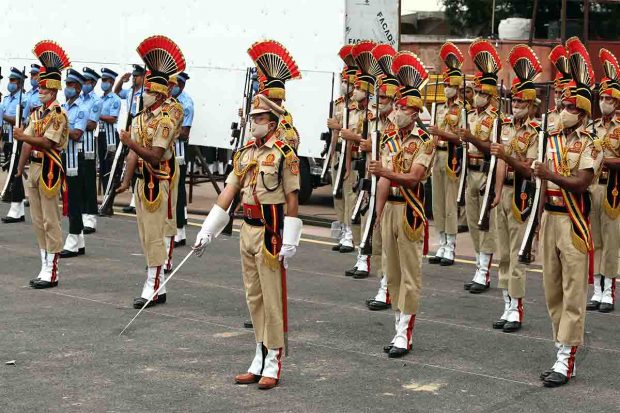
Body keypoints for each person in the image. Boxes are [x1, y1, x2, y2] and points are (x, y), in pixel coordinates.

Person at [193, 93, 301, 390]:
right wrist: (208, 230)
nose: (254, 123)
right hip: (247, 229)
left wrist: (291, 240)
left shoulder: (283, 154)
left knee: (271, 298)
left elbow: (292, 199)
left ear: (273, 123)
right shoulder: (244, 153)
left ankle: (274, 360)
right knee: (253, 297)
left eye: (260, 118)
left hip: (271, 231)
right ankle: (259, 354)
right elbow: (229, 191)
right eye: (253, 118)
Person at [533, 37, 601, 388]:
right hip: (550, 218)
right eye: (562, 102)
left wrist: (550, 175)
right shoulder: (551, 138)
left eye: (569, 105)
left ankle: (566, 359)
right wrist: (534, 225)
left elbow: (581, 182)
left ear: (582, 112)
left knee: (573, 293)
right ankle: (560, 348)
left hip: (573, 222)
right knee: (552, 290)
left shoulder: (591, 142)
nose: (562, 107)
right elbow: (542, 185)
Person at [368, 50, 435, 358]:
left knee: (409, 274)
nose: (396, 110)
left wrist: (385, 172)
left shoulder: (424, 140)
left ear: (414, 109)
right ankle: (397, 327)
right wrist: (377, 212)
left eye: (402, 105)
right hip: (390, 208)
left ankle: (404, 334)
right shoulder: (389, 137)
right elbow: (383, 180)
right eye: (395, 104)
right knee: (390, 272)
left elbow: (414, 177)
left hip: (410, 210)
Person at [115, 35, 185, 309]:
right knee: (145, 233)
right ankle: (156, 279)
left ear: (157, 94)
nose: (142, 93)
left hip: (160, 178)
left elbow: (155, 156)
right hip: (142, 182)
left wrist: (131, 143)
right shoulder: (141, 118)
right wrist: (125, 180)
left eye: (146, 90)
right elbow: (133, 153)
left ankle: (153, 285)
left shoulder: (166, 120)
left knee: (156, 232)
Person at [488, 45, 543, 333]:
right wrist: (496, 192)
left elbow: (528, 168)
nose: (516, 106)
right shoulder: (505, 126)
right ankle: (506, 302)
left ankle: (517, 309)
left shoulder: (537, 132)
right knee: (504, 252)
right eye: (514, 101)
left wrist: (508, 157)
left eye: (522, 102)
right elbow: (499, 164)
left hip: (522, 192)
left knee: (517, 251)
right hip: (505, 191)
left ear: (532, 105)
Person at [13, 39, 70, 289]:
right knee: (37, 221)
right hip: (35, 169)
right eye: (40, 87)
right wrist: (19, 167)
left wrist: (23, 136)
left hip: (49, 169)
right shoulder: (37, 113)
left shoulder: (58, 114)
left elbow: (46, 143)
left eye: (45, 89)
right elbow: (27, 143)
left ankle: (52, 269)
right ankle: (44, 264)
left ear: (54, 90)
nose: (41, 91)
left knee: (50, 219)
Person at [458, 40, 501, 294]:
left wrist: (472, 138)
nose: (478, 96)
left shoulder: (496, 119)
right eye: (476, 92)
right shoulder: (471, 115)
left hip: (485, 171)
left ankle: (484, 271)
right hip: (469, 171)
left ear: (491, 95)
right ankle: (477, 264)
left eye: (483, 93)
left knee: (485, 222)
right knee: (473, 221)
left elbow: (491, 149)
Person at [339, 40, 378, 279]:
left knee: (369, 213)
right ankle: (361, 256)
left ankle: (366, 259)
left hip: (374, 169)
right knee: (359, 211)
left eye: (359, 88)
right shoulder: (357, 111)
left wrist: (357, 138)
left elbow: (377, 142)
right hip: (359, 165)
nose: (354, 90)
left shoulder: (375, 115)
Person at [363, 43, 398, 310]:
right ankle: (382, 284)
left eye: (385, 99)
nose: (380, 103)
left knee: (390, 245)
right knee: (377, 240)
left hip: (394, 190)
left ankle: (388, 288)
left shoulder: (398, 128)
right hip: (375, 182)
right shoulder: (375, 120)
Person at [427, 42, 467, 266]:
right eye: (444, 84)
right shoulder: (439, 107)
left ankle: (451, 245)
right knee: (438, 203)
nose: (446, 88)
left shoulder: (462, 109)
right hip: (437, 157)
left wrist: (441, 133)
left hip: (452, 157)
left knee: (451, 203)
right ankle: (440, 242)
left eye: (449, 85)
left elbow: (462, 138)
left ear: (457, 86)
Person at [587, 48, 620, 314]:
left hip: (613, 190)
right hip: (593, 188)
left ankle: (609, 289)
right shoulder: (592, 127)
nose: (604, 102)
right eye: (603, 97)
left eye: (610, 99)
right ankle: (596, 289)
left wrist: (606, 162)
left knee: (611, 242)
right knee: (595, 240)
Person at [327, 45, 357, 254]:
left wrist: (338, 127)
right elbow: (335, 134)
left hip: (352, 156)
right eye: (343, 81)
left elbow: (351, 132)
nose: (345, 85)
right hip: (337, 153)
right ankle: (342, 229)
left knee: (349, 195)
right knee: (337, 194)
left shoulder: (358, 108)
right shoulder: (338, 104)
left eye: (348, 82)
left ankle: (350, 235)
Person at [59, 69, 88, 258]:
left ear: (77, 87)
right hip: (64, 156)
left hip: (76, 159)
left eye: (70, 85)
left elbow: (77, 134)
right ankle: (79, 239)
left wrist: (59, 127)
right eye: (66, 84)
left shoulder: (82, 109)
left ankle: (72, 238)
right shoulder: (63, 107)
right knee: (68, 197)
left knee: (74, 198)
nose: (67, 88)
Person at [114, 64, 145, 214]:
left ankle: (137, 200)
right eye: (133, 76)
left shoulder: (146, 92)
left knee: (137, 163)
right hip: (130, 126)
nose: (134, 78)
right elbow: (117, 92)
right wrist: (122, 80)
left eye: (136, 76)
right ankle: (133, 199)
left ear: (143, 77)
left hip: (141, 128)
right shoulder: (131, 91)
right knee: (128, 161)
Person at [171, 71, 194, 248]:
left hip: (178, 153)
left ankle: (180, 231)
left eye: (176, 84)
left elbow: (184, 133)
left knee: (178, 191)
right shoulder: (168, 101)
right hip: (167, 151)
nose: (172, 87)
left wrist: (165, 132)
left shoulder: (186, 104)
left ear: (182, 86)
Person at [1, 67, 27, 223]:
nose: (10, 83)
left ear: (19, 83)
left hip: (17, 140)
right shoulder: (6, 99)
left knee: (15, 173)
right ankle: (19, 209)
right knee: (12, 172)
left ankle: (15, 208)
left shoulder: (22, 99)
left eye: (13, 80)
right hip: (7, 139)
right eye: (9, 80)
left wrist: (3, 116)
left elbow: (21, 121)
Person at [80, 67, 103, 234]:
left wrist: (74, 123)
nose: (84, 84)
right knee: (78, 182)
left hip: (87, 146)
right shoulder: (78, 98)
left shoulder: (96, 101)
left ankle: (90, 219)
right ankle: (81, 215)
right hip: (75, 146)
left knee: (88, 182)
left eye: (87, 81)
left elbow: (91, 124)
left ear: (93, 83)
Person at [97, 68, 122, 193]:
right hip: (101, 133)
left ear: (112, 82)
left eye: (105, 80)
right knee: (102, 166)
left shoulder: (115, 99)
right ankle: (106, 194)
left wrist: (97, 116)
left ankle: (109, 195)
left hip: (110, 135)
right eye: (102, 80)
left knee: (109, 167)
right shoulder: (100, 99)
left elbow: (113, 118)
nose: (103, 82)